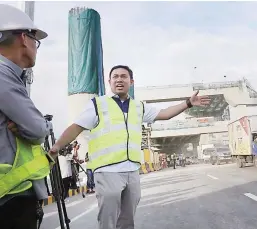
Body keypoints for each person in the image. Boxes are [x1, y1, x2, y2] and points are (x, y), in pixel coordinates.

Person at [49, 65, 211, 229]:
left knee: (127, 221)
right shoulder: (98, 104)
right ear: (110, 82)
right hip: (107, 171)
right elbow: (76, 127)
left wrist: (188, 103)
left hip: (132, 171)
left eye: (124, 76)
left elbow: (165, 113)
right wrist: (56, 146)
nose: (119, 79)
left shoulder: (138, 107)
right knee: (108, 221)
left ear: (131, 82)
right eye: (115, 77)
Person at [0, 4, 52, 229]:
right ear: (23, 38)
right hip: (10, 196)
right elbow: (38, 129)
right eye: (35, 40)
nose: (36, 47)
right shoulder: (3, 75)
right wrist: (39, 126)